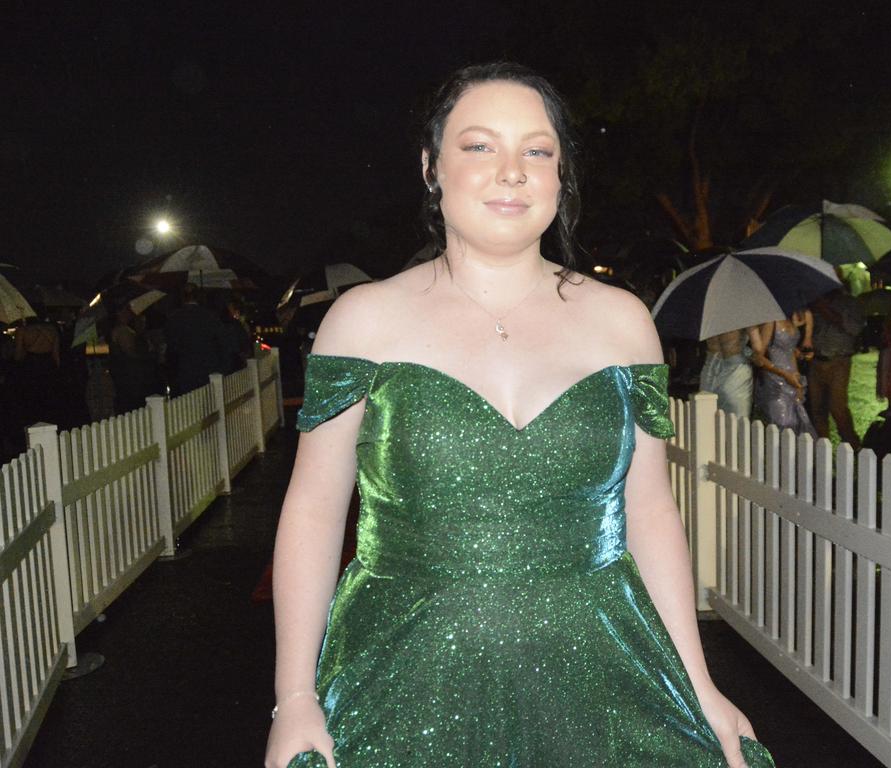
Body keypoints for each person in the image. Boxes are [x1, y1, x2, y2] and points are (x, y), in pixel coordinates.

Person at [264, 63, 773, 768]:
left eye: (537, 151)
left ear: (560, 176)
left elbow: (650, 511)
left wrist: (697, 682)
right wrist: (294, 698)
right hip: (405, 677)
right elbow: (315, 511)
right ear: (430, 166)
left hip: (600, 673)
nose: (512, 172)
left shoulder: (623, 322)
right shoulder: (364, 321)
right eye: (479, 146)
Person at [807, 287, 865, 449]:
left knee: (837, 407)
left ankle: (852, 444)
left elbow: (854, 328)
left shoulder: (849, 303)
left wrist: (826, 311)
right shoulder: (815, 301)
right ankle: (822, 448)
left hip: (838, 361)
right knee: (818, 409)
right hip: (817, 360)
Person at [751, 309, 816, 437]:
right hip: (775, 379)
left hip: (792, 377)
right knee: (782, 423)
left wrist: (796, 378)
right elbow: (758, 357)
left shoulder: (790, 317)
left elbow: (790, 351)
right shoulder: (771, 321)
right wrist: (784, 374)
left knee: (797, 424)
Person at [163, 283, 231, 395]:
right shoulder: (210, 316)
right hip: (209, 369)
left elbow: (171, 347)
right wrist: (223, 369)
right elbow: (223, 343)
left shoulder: (174, 318)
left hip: (185, 372)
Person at [701, 328, 758, 418]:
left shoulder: (710, 319)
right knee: (736, 420)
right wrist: (749, 353)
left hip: (710, 369)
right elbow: (758, 348)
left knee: (706, 416)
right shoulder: (744, 316)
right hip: (734, 370)